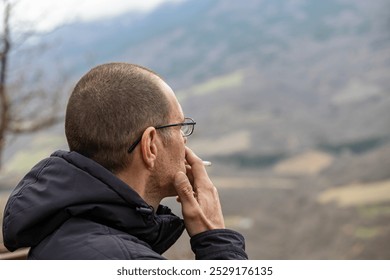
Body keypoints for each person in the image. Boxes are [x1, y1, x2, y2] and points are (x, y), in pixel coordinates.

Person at [2, 63, 247, 260]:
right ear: (150, 145)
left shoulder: (63, 230)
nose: (184, 141)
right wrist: (217, 241)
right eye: (180, 127)